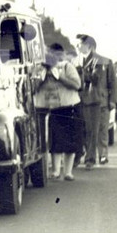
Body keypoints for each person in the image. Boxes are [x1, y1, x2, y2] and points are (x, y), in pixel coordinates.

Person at [33, 42, 83, 180]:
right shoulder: (40, 68)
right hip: (53, 108)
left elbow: (77, 85)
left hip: (70, 105)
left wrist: (59, 77)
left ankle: (68, 172)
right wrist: (42, 77)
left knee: (70, 140)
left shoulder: (67, 66)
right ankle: (55, 171)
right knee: (56, 141)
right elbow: (33, 88)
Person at [76, 34, 116, 168]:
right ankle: (90, 157)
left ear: (90, 46)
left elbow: (112, 82)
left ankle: (99, 155)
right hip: (84, 100)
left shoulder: (103, 61)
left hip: (100, 99)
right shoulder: (76, 62)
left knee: (101, 129)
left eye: (80, 44)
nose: (77, 47)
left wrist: (113, 101)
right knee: (89, 130)